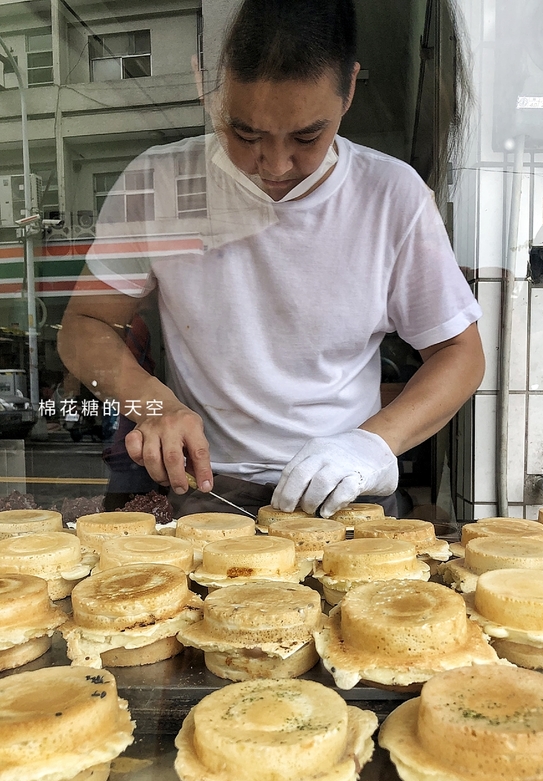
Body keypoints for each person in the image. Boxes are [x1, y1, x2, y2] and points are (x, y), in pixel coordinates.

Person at [58, 0, 484, 518]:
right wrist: (155, 406)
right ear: (207, 83)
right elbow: (84, 325)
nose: (276, 166)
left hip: (346, 496)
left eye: (307, 136)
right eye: (245, 134)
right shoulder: (158, 183)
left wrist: (373, 444)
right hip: (212, 490)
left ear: (349, 88)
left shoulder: (390, 196)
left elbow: (460, 353)